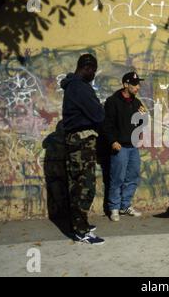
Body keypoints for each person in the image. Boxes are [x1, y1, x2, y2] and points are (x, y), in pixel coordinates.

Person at [62, 54, 105, 245]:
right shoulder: (80, 87)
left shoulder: (74, 86)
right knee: (84, 186)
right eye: (93, 71)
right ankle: (81, 231)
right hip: (81, 143)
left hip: (78, 142)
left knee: (78, 185)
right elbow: (98, 114)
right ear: (87, 68)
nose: (93, 74)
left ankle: (80, 223)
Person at [102, 72, 146, 221]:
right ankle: (114, 207)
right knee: (117, 178)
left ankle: (125, 206)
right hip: (119, 146)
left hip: (133, 146)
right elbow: (106, 124)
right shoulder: (112, 101)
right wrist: (112, 141)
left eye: (138, 84)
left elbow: (139, 125)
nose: (138, 87)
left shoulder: (137, 102)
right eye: (135, 84)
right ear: (125, 85)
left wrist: (142, 117)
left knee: (133, 176)